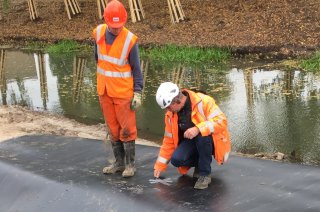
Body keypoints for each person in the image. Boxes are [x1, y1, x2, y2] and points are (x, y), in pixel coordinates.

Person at [92, 0, 143, 178]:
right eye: (113, 26)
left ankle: (130, 165)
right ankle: (119, 163)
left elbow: (137, 69)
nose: (116, 29)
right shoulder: (98, 33)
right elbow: (97, 59)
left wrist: (138, 92)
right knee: (113, 129)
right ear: (106, 20)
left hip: (123, 93)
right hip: (104, 91)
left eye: (119, 25)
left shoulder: (130, 40)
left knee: (127, 130)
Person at [153, 82, 231, 189]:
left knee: (202, 136)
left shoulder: (204, 101)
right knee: (176, 160)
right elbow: (168, 140)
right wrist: (160, 166)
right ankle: (201, 162)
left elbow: (222, 121)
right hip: (192, 142)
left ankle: (204, 174)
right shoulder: (171, 115)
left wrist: (198, 128)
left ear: (176, 100)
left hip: (211, 141)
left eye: (169, 107)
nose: (168, 110)